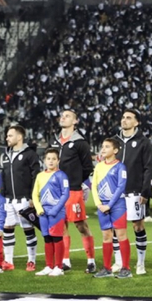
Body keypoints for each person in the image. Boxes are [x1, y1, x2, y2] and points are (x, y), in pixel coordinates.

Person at [51, 109, 96, 273]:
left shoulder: (80, 143)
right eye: (62, 115)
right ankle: (65, 261)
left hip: (73, 191)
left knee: (81, 225)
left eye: (67, 116)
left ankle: (91, 261)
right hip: (56, 192)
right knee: (61, 226)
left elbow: (88, 167)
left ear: (75, 121)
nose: (63, 117)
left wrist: (76, 182)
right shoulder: (54, 142)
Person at [111, 109, 152, 275]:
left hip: (134, 191)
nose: (124, 120)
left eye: (128, 118)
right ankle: (118, 262)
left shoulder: (143, 142)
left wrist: (145, 191)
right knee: (116, 228)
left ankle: (140, 263)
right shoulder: (114, 141)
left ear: (136, 122)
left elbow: (148, 168)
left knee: (138, 226)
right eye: (123, 117)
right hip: (115, 193)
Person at [0, 124, 41, 271]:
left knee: (28, 229)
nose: (7, 138)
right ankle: (8, 261)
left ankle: (31, 261)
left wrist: (32, 197)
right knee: (7, 228)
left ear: (19, 137)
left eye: (10, 135)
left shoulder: (30, 154)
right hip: (8, 199)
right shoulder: (5, 155)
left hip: (24, 199)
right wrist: (2, 197)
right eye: (7, 136)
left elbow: (36, 176)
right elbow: (4, 176)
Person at [91, 138, 130, 278]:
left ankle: (126, 268)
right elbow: (94, 186)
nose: (103, 149)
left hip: (117, 205)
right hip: (102, 206)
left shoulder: (120, 167)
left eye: (107, 146)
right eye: (102, 146)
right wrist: (98, 204)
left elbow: (121, 187)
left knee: (121, 235)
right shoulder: (98, 166)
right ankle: (107, 268)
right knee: (106, 236)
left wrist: (109, 205)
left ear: (115, 150)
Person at [32, 148, 70, 276]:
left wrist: (55, 209)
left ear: (58, 161)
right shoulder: (40, 176)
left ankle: (59, 267)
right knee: (47, 238)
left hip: (57, 212)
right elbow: (35, 194)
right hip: (43, 212)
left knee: (57, 238)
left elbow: (65, 194)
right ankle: (49, 266)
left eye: (54, 159)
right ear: (44, 160)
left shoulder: (62, 175)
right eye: (48, 159)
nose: (51, 161)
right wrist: (39, 208)